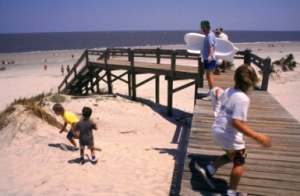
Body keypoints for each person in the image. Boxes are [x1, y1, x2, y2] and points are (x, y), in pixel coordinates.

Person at [199, 64, 272, 196]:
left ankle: (209, 169)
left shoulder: (229, 91)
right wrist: (257, 136)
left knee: (231, 154)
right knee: (240, 159)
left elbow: (218, 94)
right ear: (251, 82)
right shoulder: (243, 99)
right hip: (226, 133)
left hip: (216, 129)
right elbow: (237, 123)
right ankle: (231, 193)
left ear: (236, 78)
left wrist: (216, 90)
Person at [200, 20, 217, 99]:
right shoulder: (210, 34)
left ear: (208, 27)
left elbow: (211, 46)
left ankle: (212, 95)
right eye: (202, 28)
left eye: (204, 28)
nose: (203, 29)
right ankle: (212, 91)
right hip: (209, 58)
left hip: (209, 58)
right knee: (210, 76)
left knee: (209, 76)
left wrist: (210, 55)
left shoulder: (209, 36)